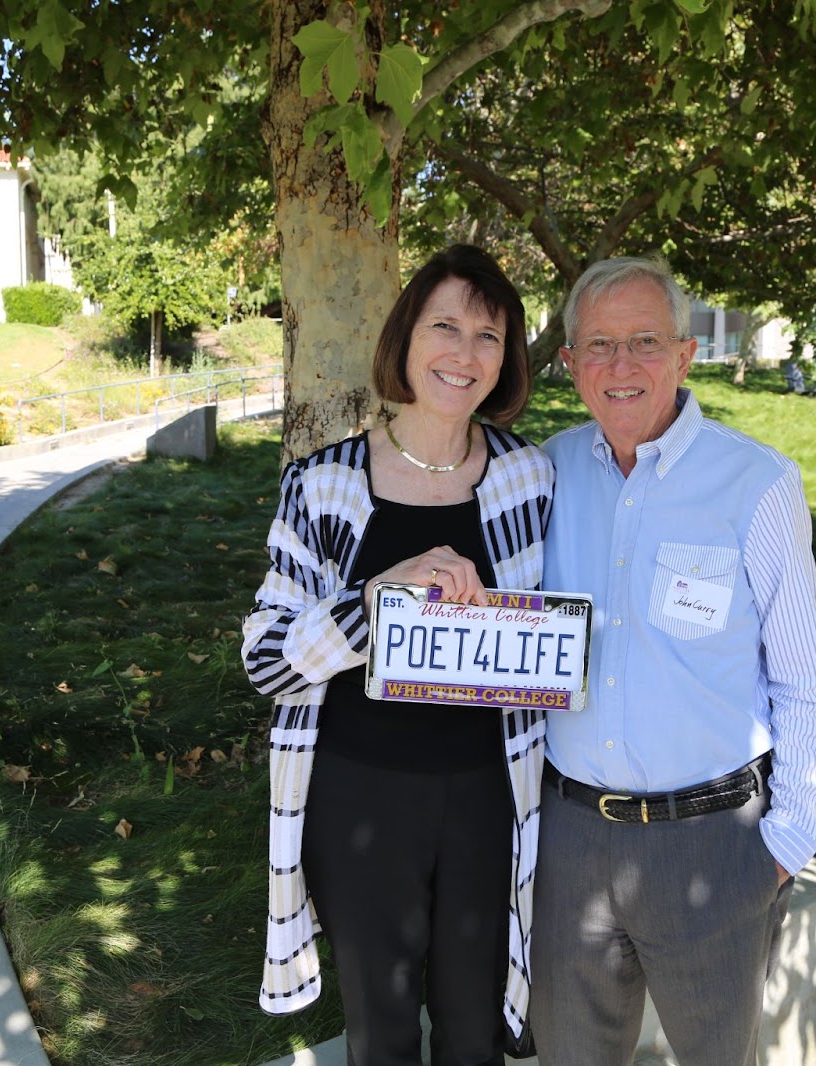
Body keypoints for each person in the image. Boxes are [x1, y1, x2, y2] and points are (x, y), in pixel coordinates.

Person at [529, 256, 816, 1065]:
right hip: (570, 841)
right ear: (568, 366)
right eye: (598, 345)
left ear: (685, 355)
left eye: (645, 341)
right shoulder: (543, 474)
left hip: (715, 847)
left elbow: (808, 683)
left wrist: (782, 848)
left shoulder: (758, 485)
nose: (622, 366)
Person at [241, 244, 555, 1066]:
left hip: (492, 793)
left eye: (489, 335)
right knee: (380, 1036)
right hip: (361, 798)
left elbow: (556, 634)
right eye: (444, 325)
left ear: (508, 357)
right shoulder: (324, 485)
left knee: (473, 1029)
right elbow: (267, 661)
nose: (464, 352)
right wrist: (373, 601)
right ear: (405, 338)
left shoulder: (531, 479)